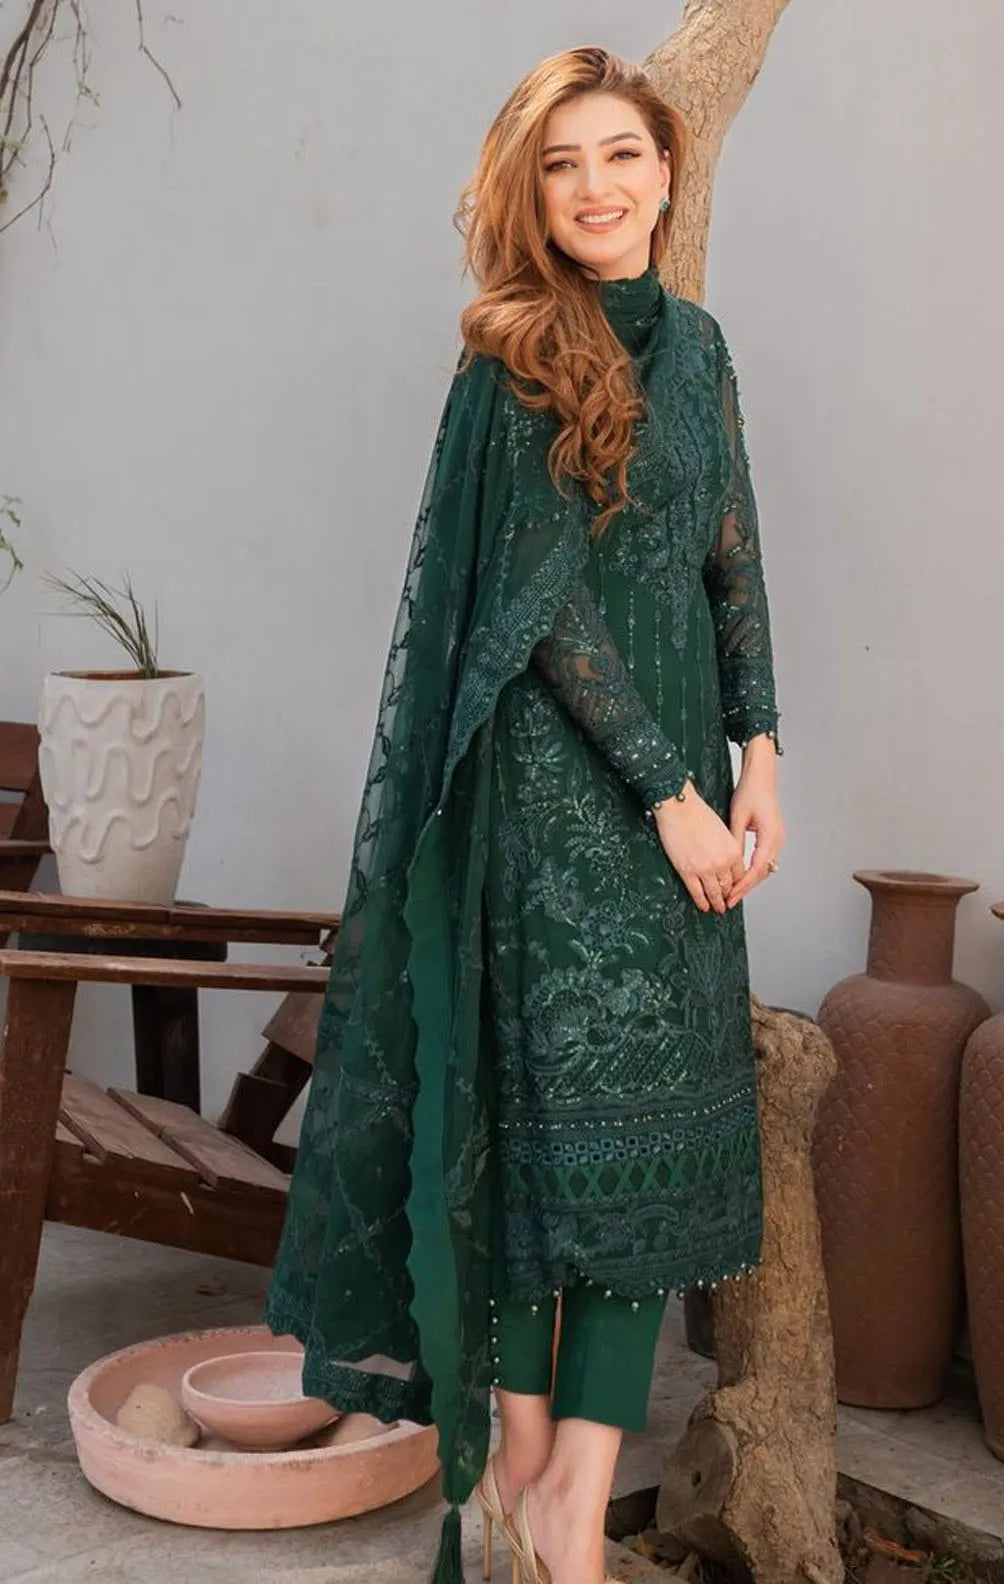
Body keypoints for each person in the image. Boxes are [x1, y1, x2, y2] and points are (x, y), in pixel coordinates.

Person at [264, 43, 786, 1584]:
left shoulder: (699, 350)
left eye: (619, 154)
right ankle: (526, 1461)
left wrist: (760, 754)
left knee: (651, 1154)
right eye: (561, 165)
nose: (593, 187)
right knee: (541, 1141)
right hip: (555, 810)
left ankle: (568, 1497)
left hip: (689, 797)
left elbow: (729, 556)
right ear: (530, 194)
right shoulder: (510, 359)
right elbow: (543, 614)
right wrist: (673, 796)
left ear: (667, 173)